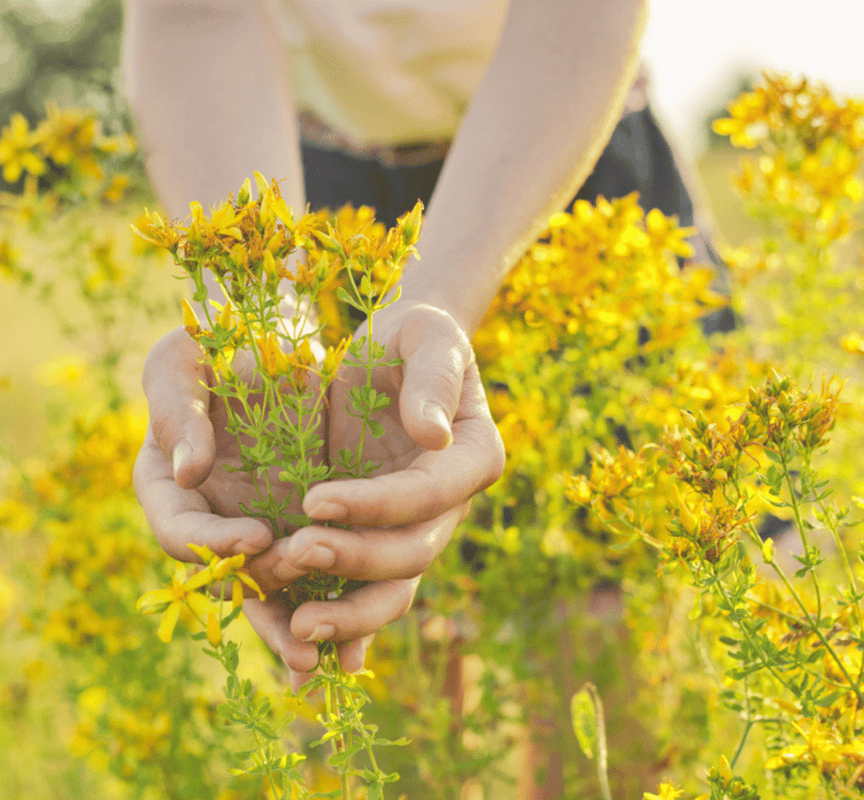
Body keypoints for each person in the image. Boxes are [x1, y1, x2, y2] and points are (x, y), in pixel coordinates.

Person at [124, 0, 651, 690]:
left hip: (560, 141)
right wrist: (253, 325)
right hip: (304, 158)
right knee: (360, 612)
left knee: (593, 613)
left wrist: (435, 296)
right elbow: (196, 12)